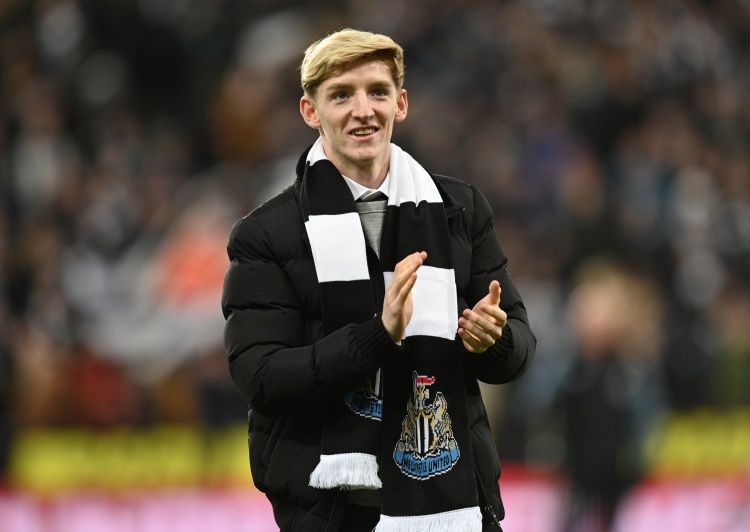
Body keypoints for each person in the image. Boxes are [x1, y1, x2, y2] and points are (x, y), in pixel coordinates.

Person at [222, 28, 536, 532]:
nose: (363, 110)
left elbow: (518, 348)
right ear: (310, 111)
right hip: (334, 515)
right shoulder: (266, 234)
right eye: (341, 95)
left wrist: (491, 342)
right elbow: (261, 379)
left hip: (456, 507)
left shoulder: (460, 210)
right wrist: (376, 336)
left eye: (377, 92)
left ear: (401, 103)